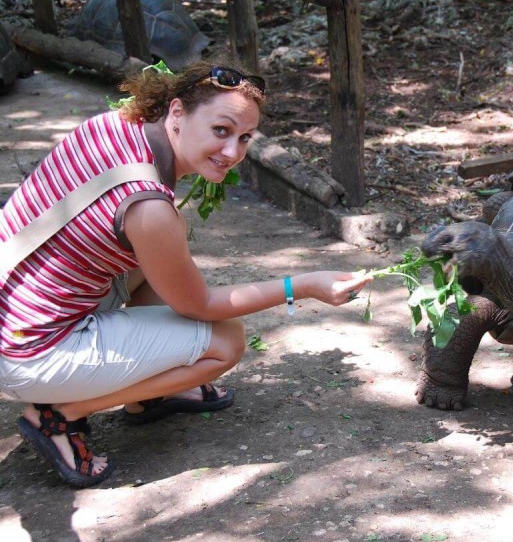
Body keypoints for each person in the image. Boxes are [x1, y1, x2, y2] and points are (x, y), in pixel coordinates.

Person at [0, 59, 372, 488]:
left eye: (245, 138)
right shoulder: (149, 207)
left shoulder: (116, 125)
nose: (233, 153)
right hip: (31, 352)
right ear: (176, 112)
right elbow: (200, 304)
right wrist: (302, 285)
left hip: (16, 305)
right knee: (225, 340)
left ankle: (149, 394)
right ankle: (60, 415)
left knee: (166, 250)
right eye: (221, 130)